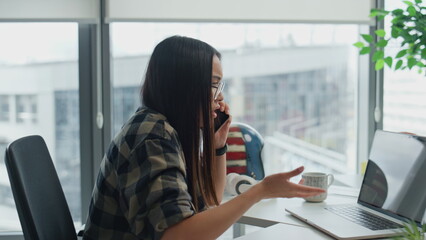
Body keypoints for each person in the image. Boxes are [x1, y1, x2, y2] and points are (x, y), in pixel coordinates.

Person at [83, 35, 325, 240]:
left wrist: (217, 145)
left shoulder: (163, 129)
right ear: (184, 87)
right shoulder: (152, 137)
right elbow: (178, 235)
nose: (219, 99)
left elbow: (211, 200)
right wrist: (260, 191)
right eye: (213, 86)